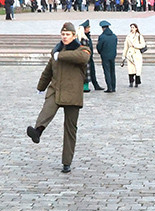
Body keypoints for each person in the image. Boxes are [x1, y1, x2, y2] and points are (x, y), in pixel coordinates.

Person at [26, 22, 91, 174]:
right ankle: (37, 131)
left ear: (74, 36)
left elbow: (82, 58)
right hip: (56, 89)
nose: (65, 37)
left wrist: (60, 55)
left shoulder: (82, 49)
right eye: (63, 34)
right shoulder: (55, 50)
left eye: (68, 35)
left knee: (70, 129)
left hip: (72, 94)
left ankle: (66, 162)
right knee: (47, 110)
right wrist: (40, 87)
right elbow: (48, 70)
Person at [78, 20, 104, 91]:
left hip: (90, 57)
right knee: (86, 72)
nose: (89, 29)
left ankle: (96, 85)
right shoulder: (83, 38)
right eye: (88, 27)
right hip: (86, 58)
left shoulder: (87, 36)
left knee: (92, 71)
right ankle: (85, 87)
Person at [122, 23, 147, 87]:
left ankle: (137, 82)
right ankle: (131, 81)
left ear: (136, 28)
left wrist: (136, 46)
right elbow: (126, 46)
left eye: (133, 27)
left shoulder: (139, 36)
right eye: (131, 27)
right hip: (130, 54)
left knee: (137, 69)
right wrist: (124, 55)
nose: (132, 29)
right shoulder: (128, 36)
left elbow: (143, 45)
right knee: (130, 69)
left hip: (137, 54)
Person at [97, 20, 118, 92]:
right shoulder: (114, 36)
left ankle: (109, 87)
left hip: (105, 56)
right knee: (112, 71)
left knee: (107, 72)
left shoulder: (102, 37)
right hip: (113, 56)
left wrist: (101, 53)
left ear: (103, 28)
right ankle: (114, 87)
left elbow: (99, 47)